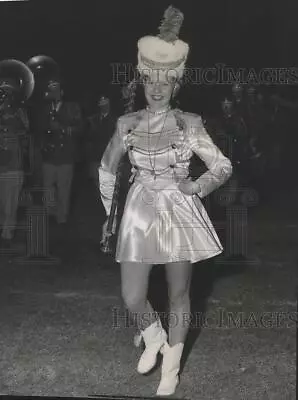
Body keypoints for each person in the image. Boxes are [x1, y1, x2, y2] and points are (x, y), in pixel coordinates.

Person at [98, 6, 233, 396]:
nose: (157, 88)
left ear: (176, 84)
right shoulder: (127, 123)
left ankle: (171, 366)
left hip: (178, 209)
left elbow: (221, 165)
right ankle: (153, 335)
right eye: (150, 80)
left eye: (165, 81)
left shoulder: (189, 122)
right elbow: (107, 170)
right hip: (139, 210)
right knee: (132, 296)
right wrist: (113, 213)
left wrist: (198, 186)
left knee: (178, 293)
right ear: (142, 81)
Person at [40, 79, 83, 224]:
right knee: (47, 188)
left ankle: (62, 218)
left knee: (64, 189)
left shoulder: (72, 107)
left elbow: (80, 129)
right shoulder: (45, 109)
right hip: (49, 156)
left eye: (56, 90)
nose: (54, 93)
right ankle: (50, 214)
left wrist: (62, 128)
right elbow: (37, 129)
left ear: (62, 92)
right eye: (51, 90)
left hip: (66, 156)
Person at [0, 76, 29, 246]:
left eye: (8, 91)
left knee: (11, 200)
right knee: (3, 200)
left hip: (13, 164)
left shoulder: (20, 111)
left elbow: (25, 132)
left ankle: (7, 232)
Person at [86, 95, 117, 187]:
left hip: (108, 156)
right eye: (102, 104)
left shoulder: (115, 120)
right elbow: (89, 137)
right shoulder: (93, 120)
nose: (104, 107)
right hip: (95, 155)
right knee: (96, 180)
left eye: (106, 104)